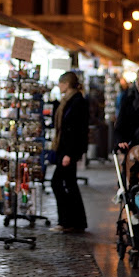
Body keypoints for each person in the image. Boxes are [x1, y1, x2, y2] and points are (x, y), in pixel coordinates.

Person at [48, 72, 89, 233]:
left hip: (68, 151)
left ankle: (66, 221)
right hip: (64, 150)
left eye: (60, 83)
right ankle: (76, 222)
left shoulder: (77, 102)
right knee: (70, 184)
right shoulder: (67, 101)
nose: (59, 86)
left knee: (57, 183)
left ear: (66, 84)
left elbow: (76, 131)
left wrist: (69, 154)